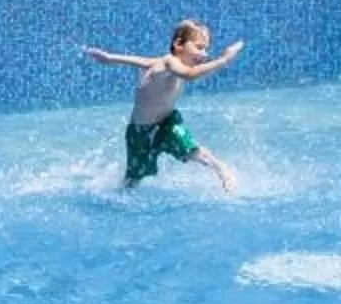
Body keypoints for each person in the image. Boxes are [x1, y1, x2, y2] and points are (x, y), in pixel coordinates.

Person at [84, 21, 244, 192]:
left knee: (189, 148)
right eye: (199, 47)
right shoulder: (170, 62)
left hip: (166, 122)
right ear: (178, 44)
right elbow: (190, 75)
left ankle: (222, 170)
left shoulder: (163, 62)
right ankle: (121, 192)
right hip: (140, 132)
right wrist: (224, 60)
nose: (204, 54)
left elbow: (141, 61)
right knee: (134, 178)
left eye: (206, 49)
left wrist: (110, 58)